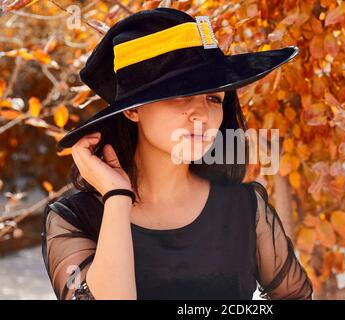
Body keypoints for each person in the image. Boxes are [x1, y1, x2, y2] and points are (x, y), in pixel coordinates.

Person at [41, 7, 313, 300]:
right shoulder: (74, 218)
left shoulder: (244, 207)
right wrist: (117, 196)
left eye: (213, 98)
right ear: (133, 109)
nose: (202, 115)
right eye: (182, 94)